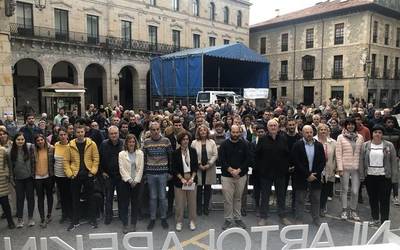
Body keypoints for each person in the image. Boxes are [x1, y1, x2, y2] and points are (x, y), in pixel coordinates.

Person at [255, 119, 291, 226]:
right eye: (271, 125)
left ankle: (282, 216)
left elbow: (287, 155)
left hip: (280, 173)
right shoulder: (262, 139)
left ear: (278, 127)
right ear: (267, 128)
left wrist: (285, 168)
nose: (273, 127)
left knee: (281, 195)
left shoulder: (284, 139)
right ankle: (263, 217)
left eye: (275, 125)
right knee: (265, 196)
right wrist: (260, 169)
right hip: (266, 173)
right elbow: (257, 156)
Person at [361, 125, 398, 226]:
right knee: (373, 199)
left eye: (380, 132)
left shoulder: (389, 145)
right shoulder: (365, 145)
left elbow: (394, 163)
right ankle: (375, 219)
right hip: (370, 177)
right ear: (372, 134)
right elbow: (362, 161)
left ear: (382, 134)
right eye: (375, 132)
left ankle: (384, 222)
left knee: (384, 200)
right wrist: (362, 176)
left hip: (384, 177)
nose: (377, 134)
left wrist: (394, 179)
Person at [65, 125, 99, 231]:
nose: (80, 134)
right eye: (78, 132)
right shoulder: (70, 145)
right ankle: (75, 220)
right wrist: (70, 174)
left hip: (88, 174)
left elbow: (96, 158)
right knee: (75, 199)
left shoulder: (92, 144)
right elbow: (66, 161)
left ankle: (92, 219)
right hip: (75, 175)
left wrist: (92, 171)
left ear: (85, 132)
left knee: (91, 198)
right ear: (75, 133)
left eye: (82, 132)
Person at [292, 125, 326, 226]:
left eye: (311, 132)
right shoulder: (297, 145)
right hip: (301, 177)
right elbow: (296, 161)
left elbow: (322, 161)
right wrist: (307, 174)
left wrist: (315, 174)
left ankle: (316, 219)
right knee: (300, 200)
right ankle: (299, 219)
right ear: (302, 133)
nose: (309, 134)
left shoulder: (319, 145)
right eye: (306, 132)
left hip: (316, 177)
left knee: (316, 199)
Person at [219, 125, 249, 230]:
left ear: (240, 132)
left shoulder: (245, 144)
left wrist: (239, 170)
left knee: (238, 198)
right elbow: (222, 160)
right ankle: (228, 219)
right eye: (233, 132)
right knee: (228, 199)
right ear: (230, 132)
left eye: (237, 132)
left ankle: (237, 218)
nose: (235, 134)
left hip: (241, 176)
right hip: (227, 176)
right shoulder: (224, 144)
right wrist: (230, 170)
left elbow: (248, 159)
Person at [143, 121, 172, 230]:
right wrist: (145, 173)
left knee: (162, 196)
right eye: (153, 130)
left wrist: (170, 172)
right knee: (153, 197)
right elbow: (144, 158)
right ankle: (153, 218)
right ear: (150, 131)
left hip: (163, 172)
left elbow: (170, 158)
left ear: (160, 129)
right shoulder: (146, 142)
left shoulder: (166, 141)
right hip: (150, 173)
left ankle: (163, 218)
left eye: (157, 129)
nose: (155, 131)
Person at [336, 118, 364, 221]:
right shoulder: (340, 137)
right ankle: (344, 210)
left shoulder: (360, 137)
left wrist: (362, 169)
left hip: (356, 168)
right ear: (345, 126)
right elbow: (338, 153)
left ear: (355, 126)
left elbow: (362, 154)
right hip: (344, 167)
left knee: (355, 191)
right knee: (344, 189)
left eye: (352, 124)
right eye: (348, 124)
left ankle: (353, 210)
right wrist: (340, 168)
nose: (350, 126)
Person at [171, 131, 198, 231]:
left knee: (192, 202)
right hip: (180, 180)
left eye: (187, 139)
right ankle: (179, 221)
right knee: (180, 203)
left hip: (191, 178)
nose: (185, 141)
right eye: (183, 139)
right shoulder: (175, 153)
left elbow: (195, 166)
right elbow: (174, 169)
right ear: (180, 141)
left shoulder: (193, 151)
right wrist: (181, 179)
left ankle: (192, 221)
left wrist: (192, 178)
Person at [119, 134, 144, 234]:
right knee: (124, 204)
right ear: (126, 143)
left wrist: (136, 180)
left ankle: (133, 223)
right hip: (125, 182)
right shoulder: (121, 154)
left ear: (135, 143)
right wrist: (129, 180)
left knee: (135, 204)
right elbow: (122, 169)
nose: (131, 144)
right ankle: (125, 224)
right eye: (129, 142)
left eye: (133, 142)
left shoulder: (140, 153)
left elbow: (140, 168)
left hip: (137, 182)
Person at [99, 126, 124, 225]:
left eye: (115, 133)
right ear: (108, 135)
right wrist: (102, 172)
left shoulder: (123, 143)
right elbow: (99, 159)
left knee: (122, 197)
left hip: (121, 175)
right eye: (111, 133)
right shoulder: (104, 144)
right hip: (108, 175)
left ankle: (122, 215)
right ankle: (108, 216)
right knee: (108, 197)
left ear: (118, 133)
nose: (114, 135)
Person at [10, 132, 35, 228]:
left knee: (30, 198)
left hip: (29, 179)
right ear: (15, 141)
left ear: (25, 140)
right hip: (18, 179)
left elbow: (42, 142)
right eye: (18, 139)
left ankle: (30, 218)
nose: (20, 141)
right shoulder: (10, 152)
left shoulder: (29, 147)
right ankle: (20, 219)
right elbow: (10, 167)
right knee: (19, 199)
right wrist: (12, 179)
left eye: (22, 139)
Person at [191, 125, 218, 216]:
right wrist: (198, 164)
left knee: (207, 188)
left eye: (204, 130)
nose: (203, 132)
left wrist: (209, 164)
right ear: (198, 132)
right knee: (198, 189)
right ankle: (198, 208)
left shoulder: (212, 142)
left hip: (209, 168)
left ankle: (206, 207)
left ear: (207, 132)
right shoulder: (194, 142)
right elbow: (192, 154)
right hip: (198, 168)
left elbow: (215, 155)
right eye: (201, 130)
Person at [314, 124, 337, 217]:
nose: (323, 131)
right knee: (315, 190)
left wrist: (335, 168)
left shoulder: (333, 142)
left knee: (325, 190)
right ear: (318, 131)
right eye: (321, 130)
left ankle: (322, 208)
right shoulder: (313, 140)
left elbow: (336, 157)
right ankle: (315, 208)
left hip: (328, 170)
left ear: (328, 131)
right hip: (316, 170)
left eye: (325, 130)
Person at [33, 134, 55, 228]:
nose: (40, 142)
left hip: (48, 176)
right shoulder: (32, 150)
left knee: (49, 195)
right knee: (40, 198)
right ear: (36, 142)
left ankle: (49, 214)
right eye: (38, 140)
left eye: (41, 140)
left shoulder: (51, 149)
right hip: (37, 177)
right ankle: (42, 218)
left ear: (44, 140)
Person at [54, 128, 72, 223]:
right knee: (62, 196)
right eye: (61, 135)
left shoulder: (71, 145)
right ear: (58, 136)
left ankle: (71, 214)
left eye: (64, 134)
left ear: (67, 135)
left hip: (69, 175)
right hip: (58, 175)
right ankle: (64, 214)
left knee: (69, 195)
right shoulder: (56, 145)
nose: (63, 136)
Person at [382, 116, 400, 206]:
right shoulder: (382, 131)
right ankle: (382, 194)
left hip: (394, 157)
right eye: (388, 122)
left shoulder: (398, 132)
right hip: (383, 157)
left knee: (395, 176)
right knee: (383, 176)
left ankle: (395, 196)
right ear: (385, 123)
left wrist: (398, 156)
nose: (390, 124)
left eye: (392, 122)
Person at [0, 145, 15, 229]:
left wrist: (8, 174)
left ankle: (10, 222)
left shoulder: (3, 150)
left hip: (2, 180)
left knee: (5, 202)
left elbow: (8, 163)